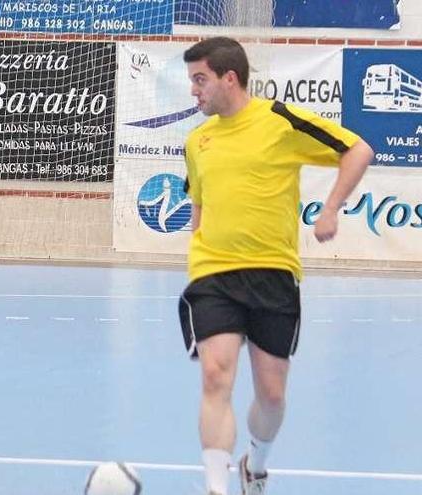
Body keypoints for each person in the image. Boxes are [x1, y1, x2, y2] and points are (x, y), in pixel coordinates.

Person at [178, 37, 373, 495]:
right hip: (213, 274)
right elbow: (198, 210)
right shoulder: (196, 140)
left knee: (271, 395)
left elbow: (358, 149)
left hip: (273, 274)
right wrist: (199, 251)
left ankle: (255, 464)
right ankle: (214, 488)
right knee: (215, 374)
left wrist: (330, 210)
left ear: (230, 78)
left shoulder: (280, 121)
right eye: (191, 81)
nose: (194, 91)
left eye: (200, 79)